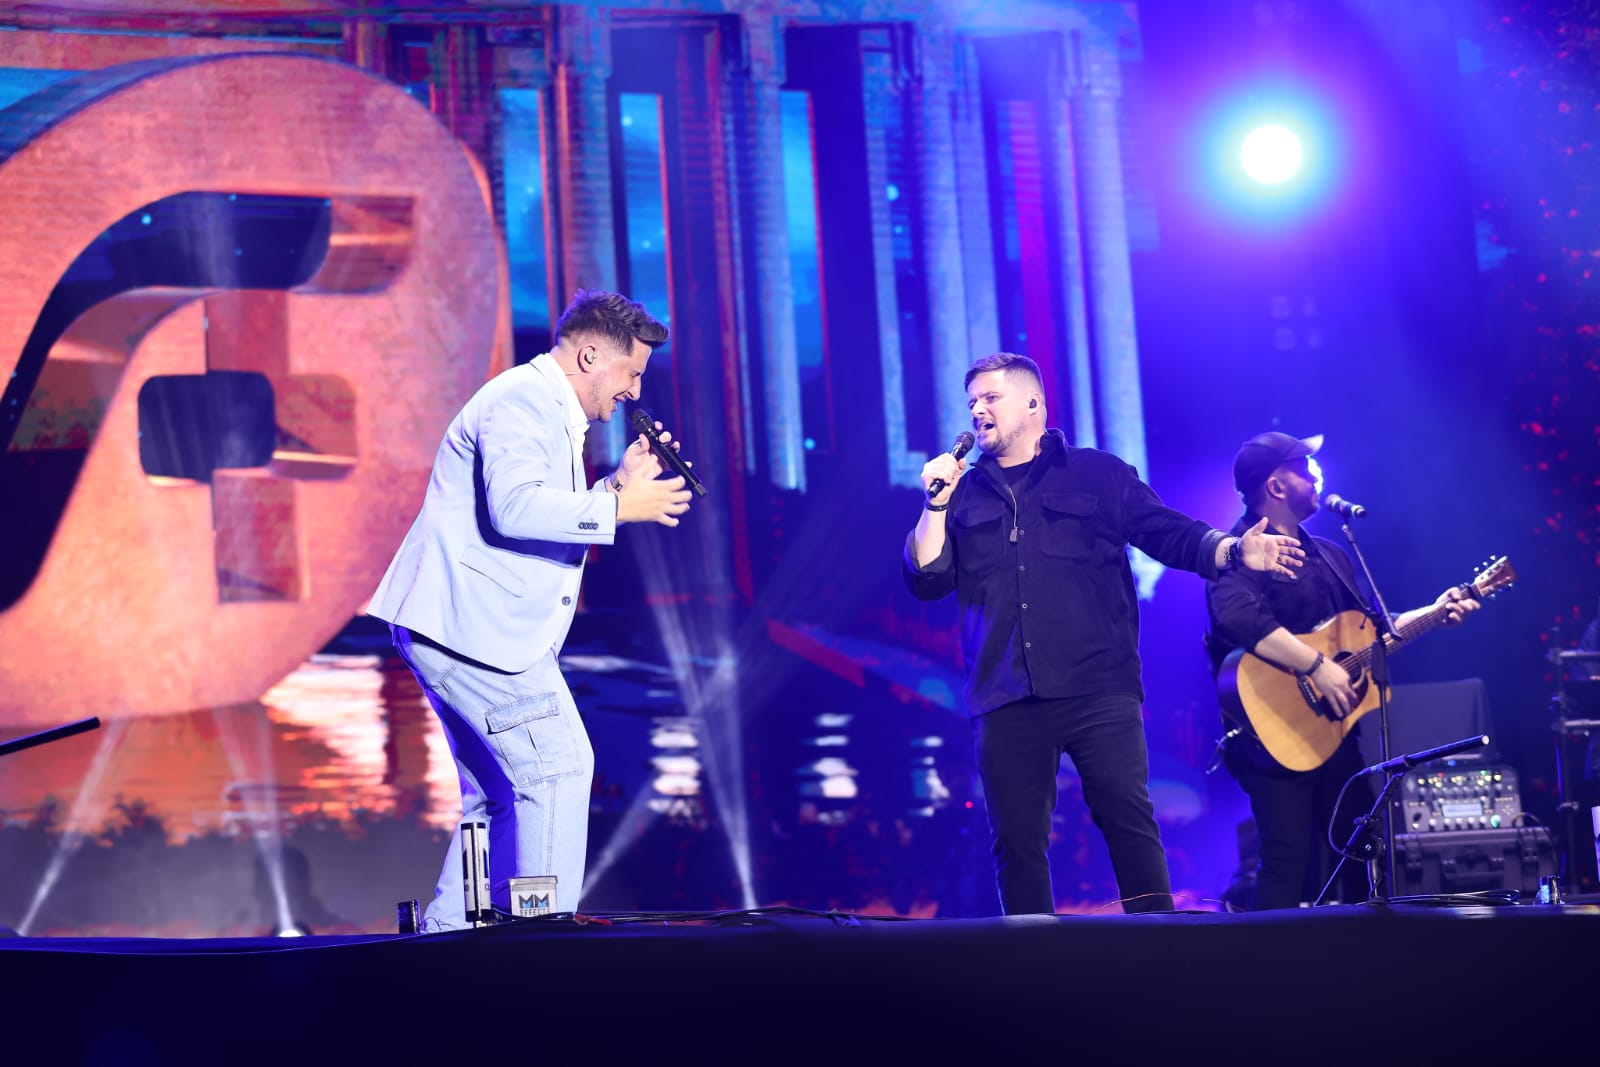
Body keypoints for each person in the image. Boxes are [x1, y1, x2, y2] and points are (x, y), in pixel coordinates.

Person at [901, 353, 1306, 915]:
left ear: (1033, 403)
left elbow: (1168, 533)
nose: (977, 409)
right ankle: (1033, 962)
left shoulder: (1097, 474)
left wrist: (1234, 549)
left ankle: (1157, 952)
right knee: (1016, 845)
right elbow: (926, 579)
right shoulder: (962, 495)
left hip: (1097, 685)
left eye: (990, 397)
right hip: (1005, 693)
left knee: (1128, 823)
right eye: (971, 401)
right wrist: (934, 502)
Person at [368, 290, 693, 930]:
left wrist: (613, 488)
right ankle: (540, 944)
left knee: (494, 798)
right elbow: (514, 508)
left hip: (460, 627)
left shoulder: (541, 405)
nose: (632, 392)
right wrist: (618, 509)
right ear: (591, 353)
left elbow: (533, 507)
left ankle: (445, 939)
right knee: (559, 769)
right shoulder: (521, 400)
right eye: (630, 374)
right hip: (474, 631)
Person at [1205, 431, 1478, 910]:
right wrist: (1316, 666)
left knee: (1359, 852)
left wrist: (1435, 611)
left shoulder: (1331, 554)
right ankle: (1271, 978)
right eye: (1304, 468)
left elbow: (1375, 630)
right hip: (1274, 733)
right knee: (1288, 863)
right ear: (1275, 486)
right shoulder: (1237, 552)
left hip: (1337, 734)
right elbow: (1237, 619)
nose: (1315, 476)